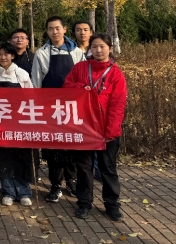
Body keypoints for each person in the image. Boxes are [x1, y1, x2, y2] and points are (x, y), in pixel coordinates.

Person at [64, 33, 127, 222]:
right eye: (94, 47)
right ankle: (84, 203)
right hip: (84, 127)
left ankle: (112, 205)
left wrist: (110, 131)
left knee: (108, 168)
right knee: (84, 168)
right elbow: (66, 87)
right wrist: (80, 87)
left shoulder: (116, 74)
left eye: (102, 47)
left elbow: (117, 105)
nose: (98, 50)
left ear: (110, 48)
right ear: (89, 49)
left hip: (106, 130)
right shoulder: (80, 68)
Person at [31, 16, 84, 202]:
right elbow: (36, 83)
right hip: (50, 108)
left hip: (72, 107)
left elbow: (82, 79)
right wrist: (38, 108)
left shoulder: (77, 52)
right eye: (50, 29)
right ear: (47, 32)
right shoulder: (41, 53)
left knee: (72, 145)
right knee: (53, 147)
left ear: (65, 29)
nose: (54, 32)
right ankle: (55, 184)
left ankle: (72, 181)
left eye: (57, 28)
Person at [0, 42, 35, 207]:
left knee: (21, 157)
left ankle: (24, 192)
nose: (3, 57)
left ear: (12, 56)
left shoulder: (22, 74)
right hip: (0, 124)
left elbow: (31, 97)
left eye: (6, 54)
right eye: (0, 54)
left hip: (20, 123)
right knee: (3, 158)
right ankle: (8, 192)